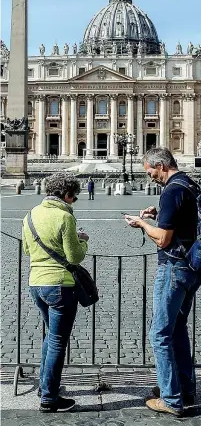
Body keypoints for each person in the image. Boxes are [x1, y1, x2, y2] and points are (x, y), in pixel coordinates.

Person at [123, 147, 201, 417]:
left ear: (161, 166)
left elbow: (163, 239)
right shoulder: (189, 184)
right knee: (177, 327)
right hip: (193, 267)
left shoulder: (171, 190)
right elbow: (184, 222)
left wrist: (142, 224)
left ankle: (171, 399)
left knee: (159, 333)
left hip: (174, 267)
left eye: (150, 172)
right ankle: (184, 388)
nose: (150, 178)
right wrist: (159, 215)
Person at [21, 173, 89, 413]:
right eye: (74, 197)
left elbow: (28, 249)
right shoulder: (64, 216)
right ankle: (49, 398)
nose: (74, 201)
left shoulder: (30, 214)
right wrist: (83, 241)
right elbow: (75, 256)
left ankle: (44, 386)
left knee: (51, 336)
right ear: (67, 194)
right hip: (60, 285)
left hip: (35, 284)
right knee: (58, 341)